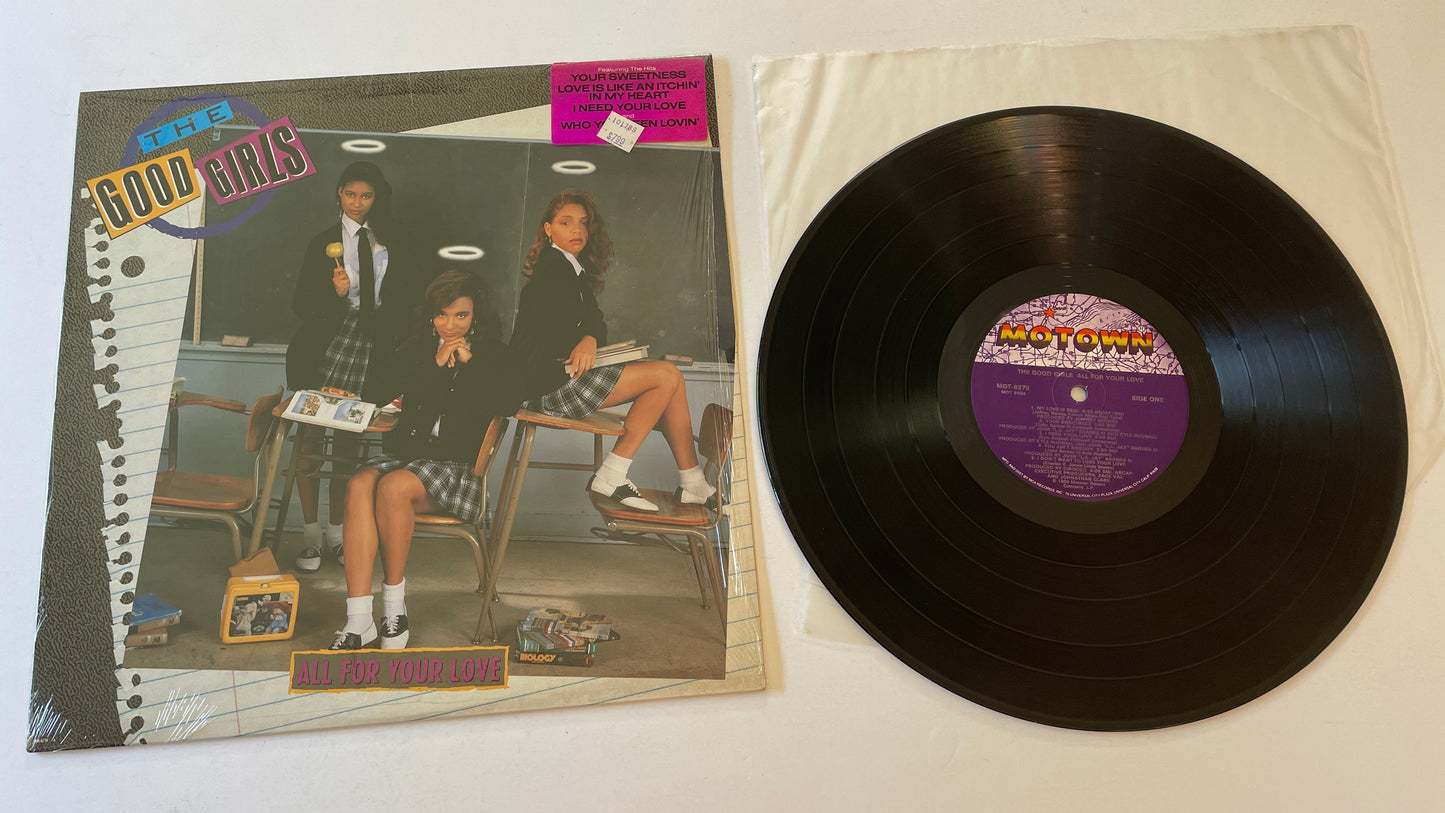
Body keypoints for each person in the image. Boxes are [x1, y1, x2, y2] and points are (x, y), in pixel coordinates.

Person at [330, 270, 519, 650]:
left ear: (475, 316)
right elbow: (375, 391)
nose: (450, 325)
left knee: (393, 487)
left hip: (458, 472)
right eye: (442, 315)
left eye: (461, 315)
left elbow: (507, 403)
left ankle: (394, 611)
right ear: (431, 316)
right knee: (359, 483)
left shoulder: (492, 354)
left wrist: (471, 365)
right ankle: (359, 620)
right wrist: (433, 363)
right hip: (410, 459)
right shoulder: (418, 348)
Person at [509, 189, 715, 513]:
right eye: (566, 222)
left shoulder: (571, 269)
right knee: (666, 376)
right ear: (548, 229)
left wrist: (590, 336)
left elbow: (596, 320)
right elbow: (555, 333)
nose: (577, 230)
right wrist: (586, 335)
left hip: (558, 377)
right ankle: (613, 473)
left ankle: (693, 483)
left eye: (583, 223)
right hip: (548, 385)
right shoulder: (553, 269)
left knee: (670, 380)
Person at [285, 161, 423, 573]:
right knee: (310, 442)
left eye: (366, 196)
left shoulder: (393, 241)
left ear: (377, 198)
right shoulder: (323, 243)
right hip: (325, 345)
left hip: (372, 346)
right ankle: (311, 538)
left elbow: (406, 301)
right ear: (338, 194)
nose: (357, 203)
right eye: (350, 194)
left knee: (348, 448)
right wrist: (334, 293)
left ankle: (337, 535)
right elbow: (300, 304)